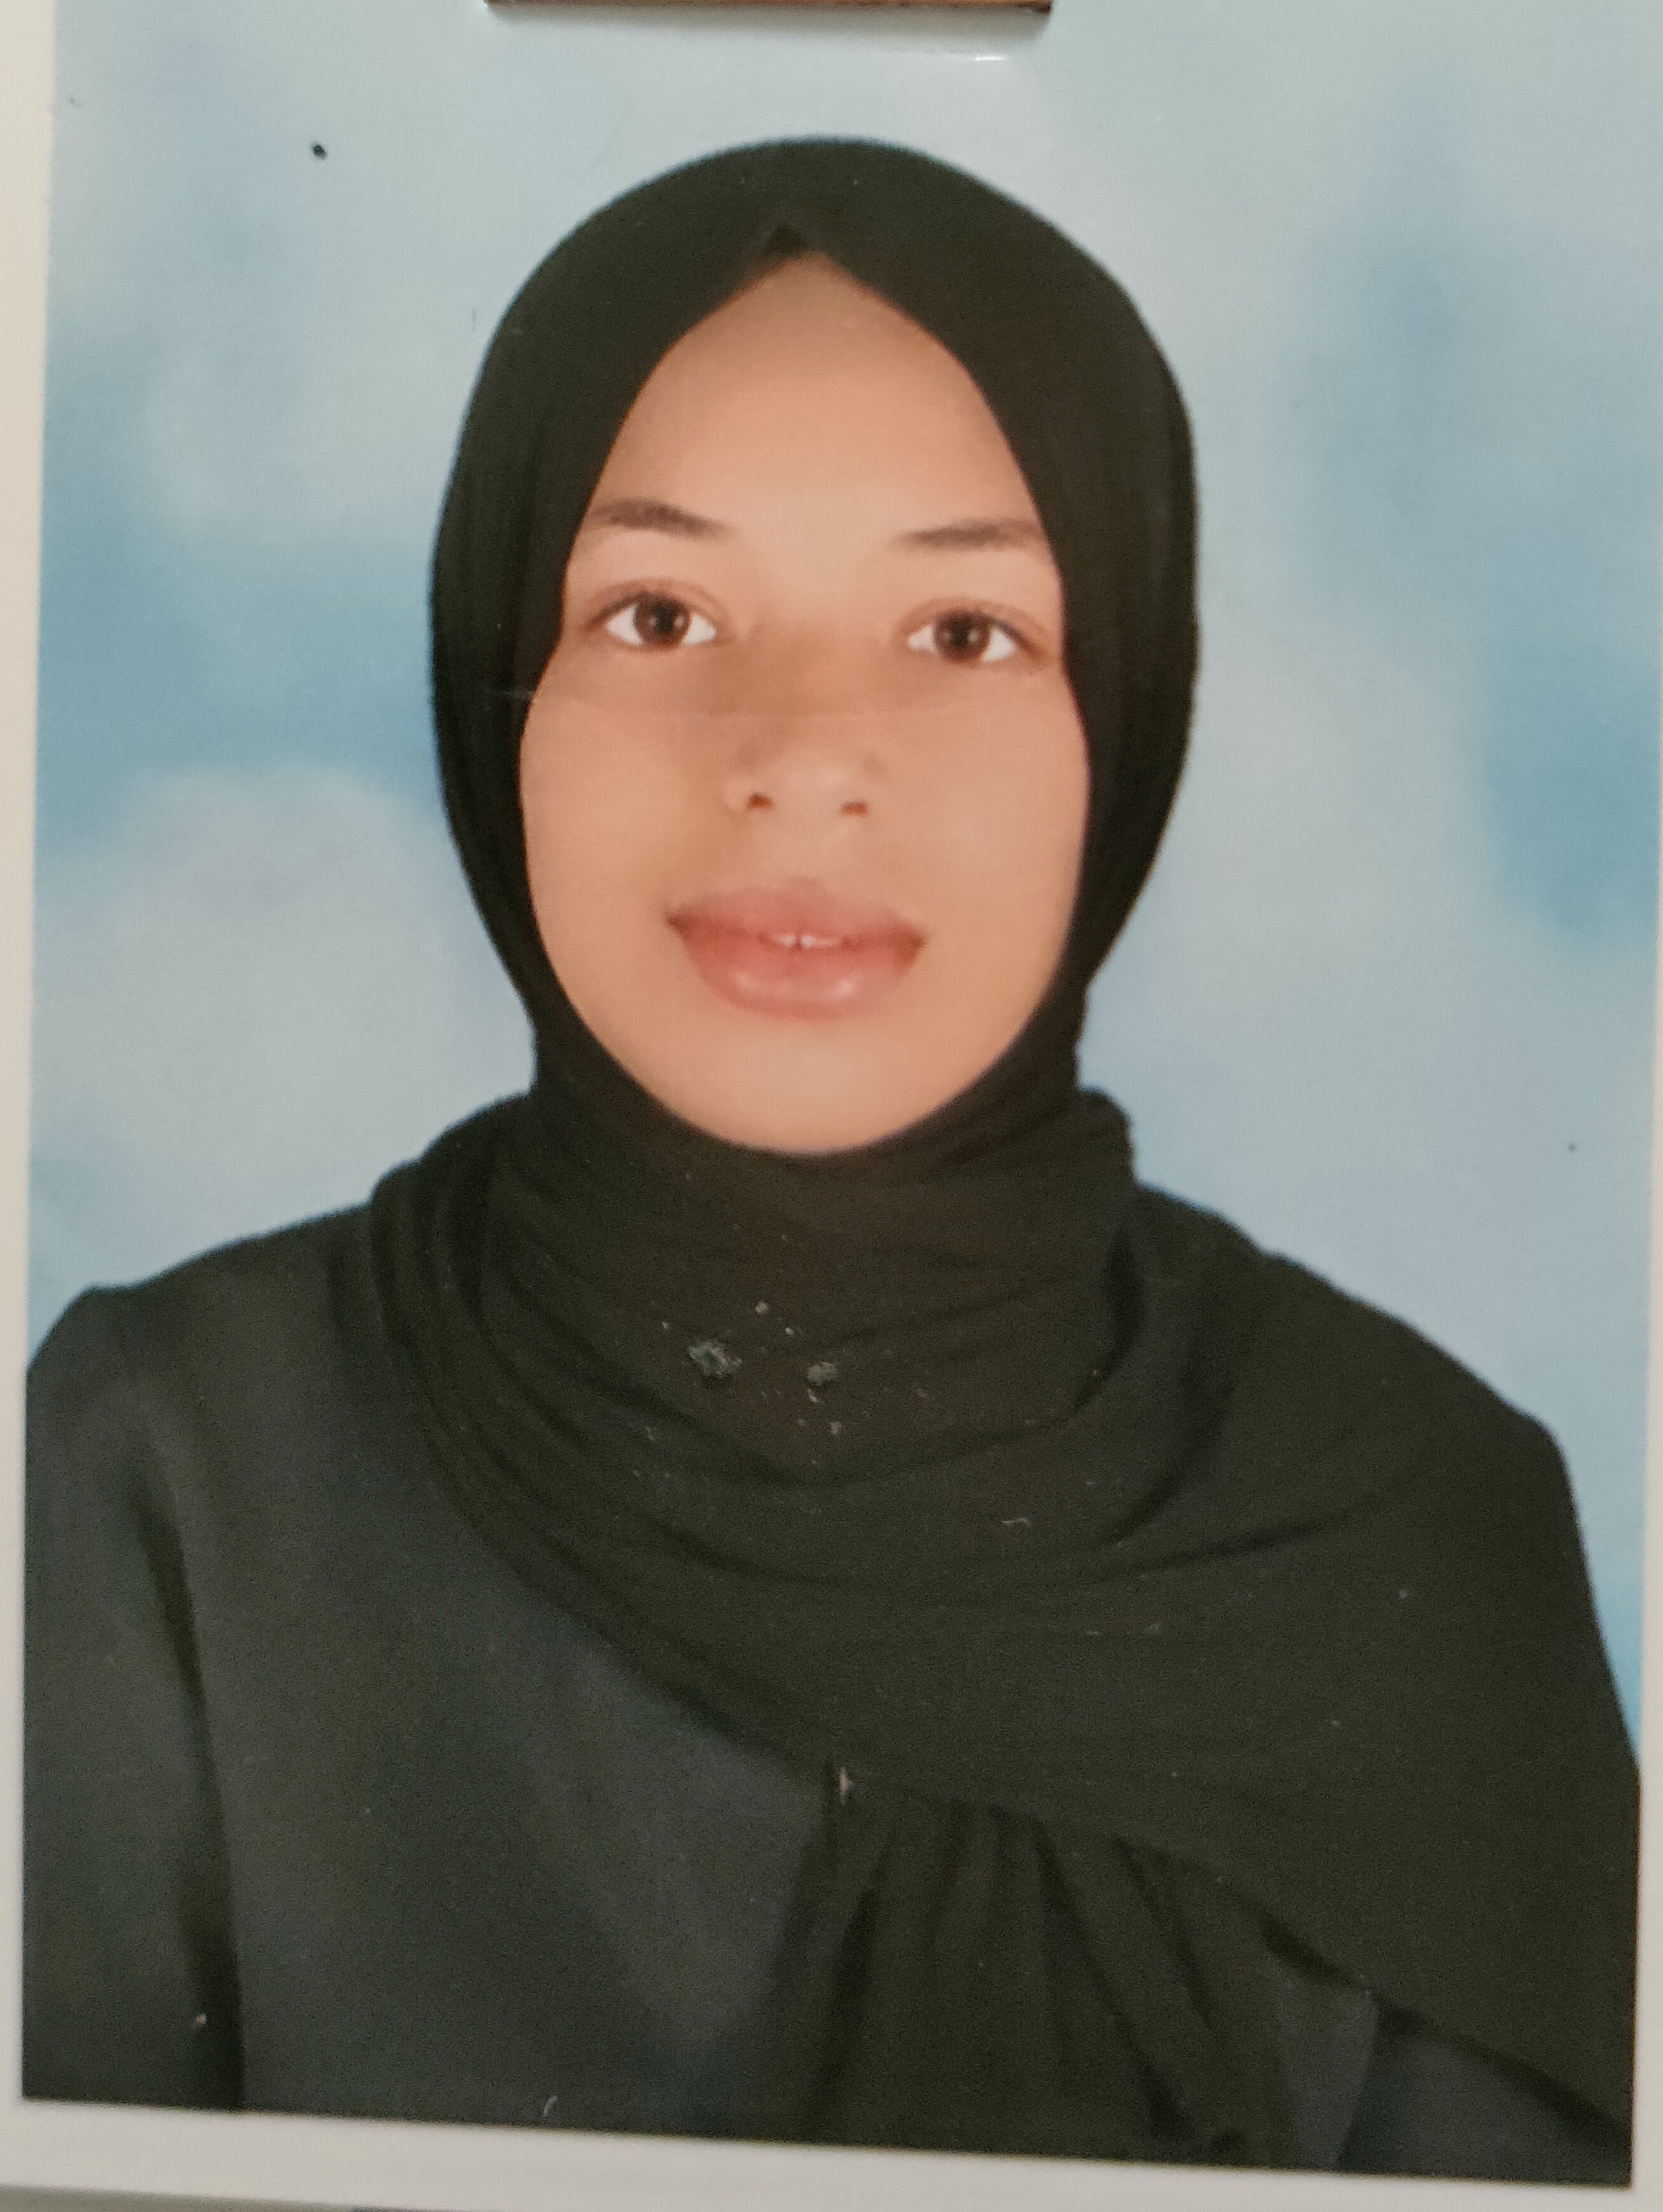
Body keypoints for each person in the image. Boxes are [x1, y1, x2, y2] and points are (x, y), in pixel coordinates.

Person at [24, 139, 1636, 2180]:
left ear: (1125, 721)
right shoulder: (166, 1467)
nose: (799, 754)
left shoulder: (1420, 1523)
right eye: (660, 611)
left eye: (963, 632)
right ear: (493, 675)